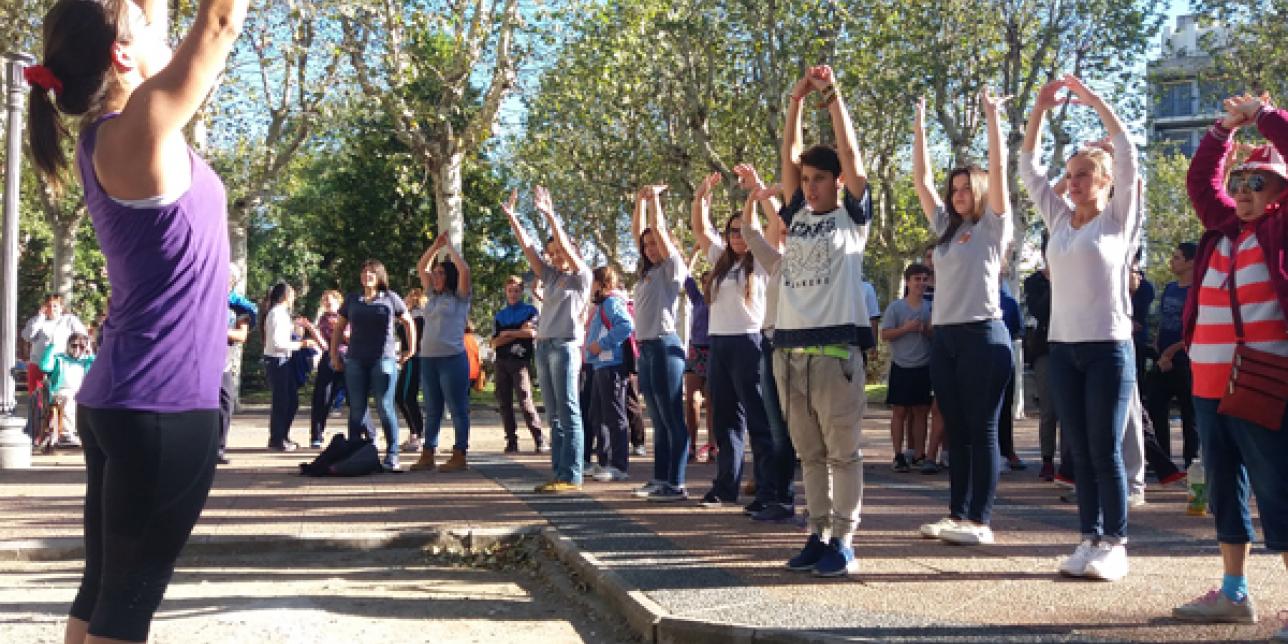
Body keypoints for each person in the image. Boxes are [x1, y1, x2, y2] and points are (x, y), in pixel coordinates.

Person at [25, 0, 247, 640]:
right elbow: (220, 22)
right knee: (125, 606)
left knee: (105, 594)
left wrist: (134, 14)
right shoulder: (139, 128)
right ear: (123, 54)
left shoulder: (117, 134)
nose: (163, 22)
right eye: (150, 22)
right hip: (164, 408)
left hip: (127, 401)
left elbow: (156, 20)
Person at [1171, 94, 1288, 634]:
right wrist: (1222, 132)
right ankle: (1234, 592)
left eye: (1257, 183)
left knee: (1278, 488)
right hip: (1209, 384)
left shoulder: (1280, 229)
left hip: (1265, 385)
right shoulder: (1221, 229)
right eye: (1238, 183)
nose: (1242, 192)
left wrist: (1263, 119)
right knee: (1223, 487)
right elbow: (1202, 183)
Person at [1020, 74, 1140, 581]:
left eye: (1084, 174)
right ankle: (1088, 537)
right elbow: (1026, 167)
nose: (1073, 183)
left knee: (1104, 447)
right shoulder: (1058, 220)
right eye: (1070, 175)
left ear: (1106, 182)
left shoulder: (1117, 219)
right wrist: (1039, 113)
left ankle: (1115, 542)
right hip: (1063, 349)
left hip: (1109, 347)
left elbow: (1128, 151)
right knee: (1079, 449)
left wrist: (1095, 102)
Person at [773, 65, 872, 577]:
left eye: (819, 179)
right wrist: (794, 99)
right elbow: (787, 157)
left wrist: (831, 96)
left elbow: (851, 155)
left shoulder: (851, 219)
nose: (809, 187)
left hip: (836, 354)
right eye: (805, 179)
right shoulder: (797, 215)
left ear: (837, 183)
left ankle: (844, 540)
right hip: (789, 351)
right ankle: (816, 533)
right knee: (808, 454)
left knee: (842, 454)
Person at [913, 88, 1014, 547]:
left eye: (964, 188)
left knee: (982, 427)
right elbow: (921, 182)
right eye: (953, 189)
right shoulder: (947, 233)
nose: (956, 196)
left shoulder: (992, 226)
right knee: (955, 428)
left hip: (983, 336)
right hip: (946, 339)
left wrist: (992, 116)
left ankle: (981, 520)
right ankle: (957, 514)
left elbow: (998, 170)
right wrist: (918, 124)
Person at [691, 168, 776, 512]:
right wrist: (700, 198)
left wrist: (755, 194)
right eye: (732, 232)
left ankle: (768, 490)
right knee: (724, 420)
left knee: (758, 418)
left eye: (742, 230)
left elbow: (776, 227)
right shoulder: (720, 261)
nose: (737, 236)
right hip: (719, 345)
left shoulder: (761, 259)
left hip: (749, 343)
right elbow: (699, 229)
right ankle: (725, 487)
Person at [503, 186, 593, 493]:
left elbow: (566, 247)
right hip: (544, 346)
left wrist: (550, 216)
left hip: (566, 347)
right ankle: (558, 473)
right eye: (551, 253)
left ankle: (573, 475)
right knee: (552, 414)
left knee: (569, 411)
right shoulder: (551, 277)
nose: (555, 257)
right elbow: (529, 248)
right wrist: (513, 218)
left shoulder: (582, 277)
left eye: (560, 252)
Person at [629, 185, 692, 501]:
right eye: (646, 244)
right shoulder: (646, 274)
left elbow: (660, 233)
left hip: (667, 347)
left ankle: (677, 482)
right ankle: (660, 478)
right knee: (657, 418)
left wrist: (654, 202)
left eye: (655, 243)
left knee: (672, 417)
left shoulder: (672, 269)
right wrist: (639, 204)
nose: (650, 247)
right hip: (647, 349)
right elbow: (636, 232)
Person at [329, 260, 417, 471]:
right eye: (364, 271)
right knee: (356, 409)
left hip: (383, 359)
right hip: (356, 359)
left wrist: (411, 349)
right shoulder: (352, 299)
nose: (366, 274)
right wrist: (334, 355)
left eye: (371, 272)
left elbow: (408, 322)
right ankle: (353, 453)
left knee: (385, 406)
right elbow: (339, 328)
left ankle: (392, 454)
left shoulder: (391, 298)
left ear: (379, 276)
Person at [408, 235, 473, 473]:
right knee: (432, 408)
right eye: (434, 274)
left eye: (440, 273)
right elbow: (421, 267)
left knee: (457, 408)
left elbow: (464, 269)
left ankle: (460, 454)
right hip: (428, 360)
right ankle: (428, 453)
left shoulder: (460, 297)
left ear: (449, 276)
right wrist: (435, 247)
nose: (434, 277)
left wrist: (450, 248)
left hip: (452, 359)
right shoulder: (432, 297)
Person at [1144, 241, 1199, 467]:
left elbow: (1196, 329)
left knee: (1190, 415)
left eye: (1177, 257)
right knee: (1155, 408)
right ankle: (1163, 463)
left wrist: (1173, 351)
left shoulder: (1198, 291)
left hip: (1186, 362)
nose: (1172, 261)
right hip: (1163, 361)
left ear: (1191, 262)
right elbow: (1165, 320)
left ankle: (1191, 463)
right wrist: (1160, 349)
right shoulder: (1170, 288)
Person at [584, 266, 635, 482]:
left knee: (615, 416)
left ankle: (619, 464)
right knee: (598, 415)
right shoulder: (601, 305)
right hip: (600, 366)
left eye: (592, 282)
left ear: (601, 283)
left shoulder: (612, 302)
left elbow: (625, 325)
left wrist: (602, 344)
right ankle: (604, 460)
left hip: (612, 364)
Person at [881, 264, 933, 473]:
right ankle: (898, 454)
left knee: (921, 411)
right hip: (901, 365)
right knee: (899, 411)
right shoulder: (895, 307)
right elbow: (884, 335)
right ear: (908, 282)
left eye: (924, 279)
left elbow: (936, 334)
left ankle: (920, 454)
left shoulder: (930, 307)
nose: (920, 283)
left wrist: (924, 329)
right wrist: (905, 329)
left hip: (924, 366)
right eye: (916, 279)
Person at [263, 282, 321, 452]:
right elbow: (278, 343)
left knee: (290, 401)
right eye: (293, 295)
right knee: (283, 401)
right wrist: (302, 344)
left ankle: (282, 435)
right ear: (286, 296)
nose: (294, 299)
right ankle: (277, 438)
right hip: (278, 360)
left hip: (282, 360)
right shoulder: (277, 314)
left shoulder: (281, 314)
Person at [491, 275, 546, 453]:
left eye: (516, 290)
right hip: (501, 361)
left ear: (522, 291)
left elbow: (531, 333)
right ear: (506, 292)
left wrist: (507, 334)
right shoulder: (500, 315)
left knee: (525, 401)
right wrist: (515, 332)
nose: (513, 294)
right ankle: (511, 440)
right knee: (504, 402)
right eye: (510, 291)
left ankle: (539, 438)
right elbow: (495, 342)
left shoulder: (530, 311)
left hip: (520, 361)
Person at [1023, 246, 1060, 481]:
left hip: (1072, 343)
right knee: (1048, 408)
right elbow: (1040, 310)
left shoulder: (1076, 274)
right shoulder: (1034, 282)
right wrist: (1054, 282)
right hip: (1045, 349)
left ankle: (1071, 462)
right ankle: (1047, 460)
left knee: (1071, 410)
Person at [220, 263, 257, 463]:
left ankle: (219, 448)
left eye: (230, 279)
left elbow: (241, 335)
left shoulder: (239, 307)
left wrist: (216, 330)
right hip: (196, 360)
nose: (226, 282)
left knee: (226, 402)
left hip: (221, 361)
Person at [22, 294, 87, 399]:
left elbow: (83, 337)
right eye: (48, 305)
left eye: (55, 306)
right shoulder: (37, 320)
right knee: (36, 399)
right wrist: (40, 318)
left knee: (57, 398)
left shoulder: (69, 320)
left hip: (60, 365)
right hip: (38, 364)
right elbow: (27, 336)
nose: (51, 308)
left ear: (61, 307)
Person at [38, 333, 95, 448]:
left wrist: (91, 353)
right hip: (61, 391)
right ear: (68, 345)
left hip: (82, 392)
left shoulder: (87, 361)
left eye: (82, 347)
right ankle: (66, 434)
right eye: (74, 346)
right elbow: (44, 367)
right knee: (69, 397)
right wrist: (51, 347)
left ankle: (90, 435)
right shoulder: (59, 359)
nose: (77, 349)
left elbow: (98, 368)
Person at [396, 288, 427, 453]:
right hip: (409, 359)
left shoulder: (418, 317)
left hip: (414, 360)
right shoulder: (410, 317)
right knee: (403, 397)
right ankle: (415, 433)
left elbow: (416, 340)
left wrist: (408, 353)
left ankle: (418, 435)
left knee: (406, 396)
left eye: (408, 297)